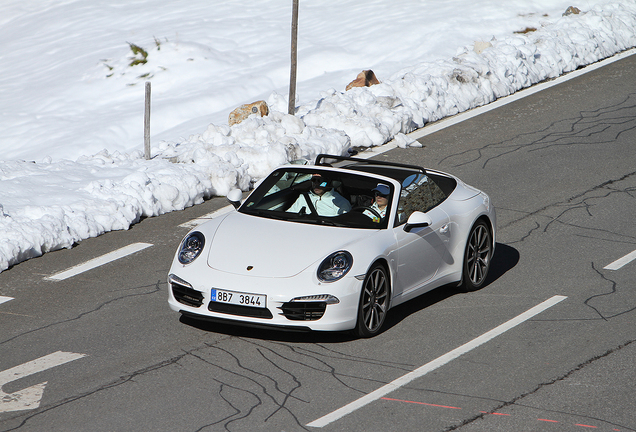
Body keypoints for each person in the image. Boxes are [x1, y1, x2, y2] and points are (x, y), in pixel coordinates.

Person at [287, 173, 351, 216]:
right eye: (314, 180)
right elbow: (288, 216)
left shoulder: (341, 203)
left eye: (320, 181)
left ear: (329, 182)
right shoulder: (303, 198)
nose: (316, 184)